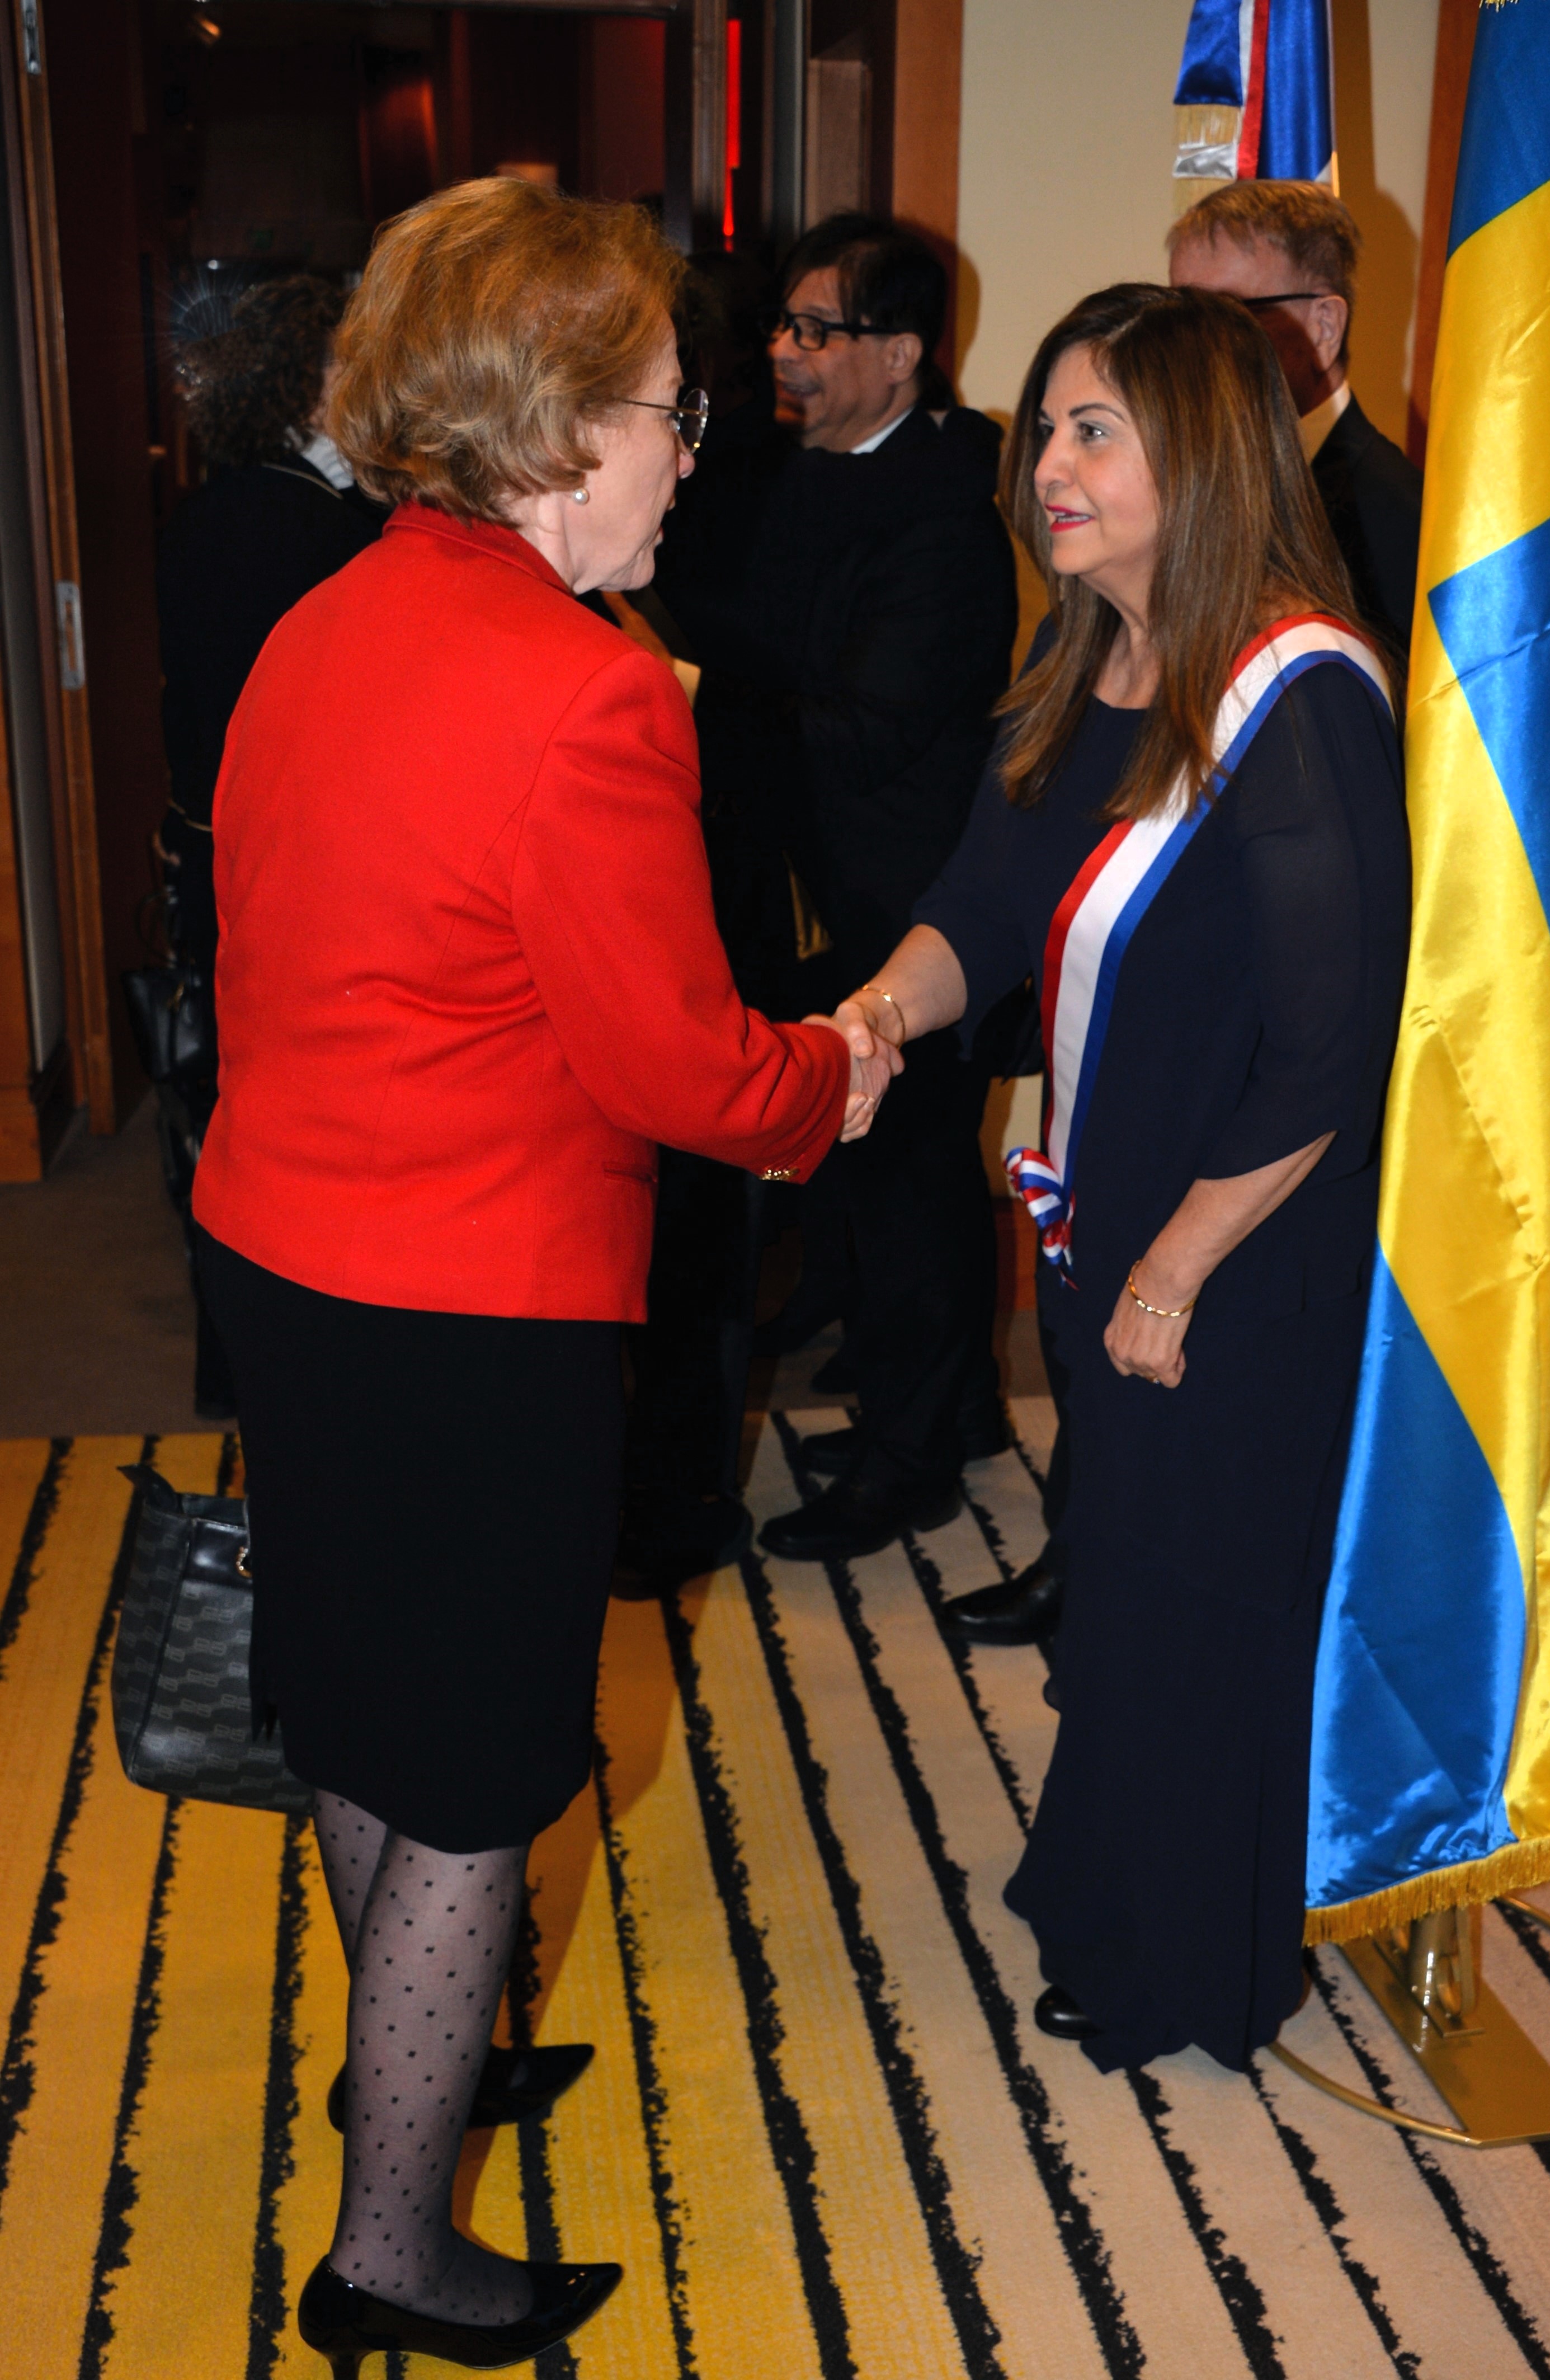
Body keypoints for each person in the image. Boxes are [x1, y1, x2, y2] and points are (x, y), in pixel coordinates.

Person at [190, 178, 891, 2376]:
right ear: (560, 429)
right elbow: (679, 1067)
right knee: (486, 1769)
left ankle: (416, 2067)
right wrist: (832, 1075)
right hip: (472, 1307)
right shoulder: (587, 696)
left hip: (284, 1260)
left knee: (363, 1707)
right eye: (676, 409)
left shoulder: (323, 615)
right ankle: (392, 2248)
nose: (694, 451)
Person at [831, 284, 1410, 2072]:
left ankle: (1189, 1962)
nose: (1047, 468)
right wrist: (876, 1011)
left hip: (1236, 1251)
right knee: (1126, 1576)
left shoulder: (1293, 694)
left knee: (1201, 1597)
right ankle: (1110, 1882)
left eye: (1094, 431)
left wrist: (1171, 1265)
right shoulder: (1087, 655)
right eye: (1045, 429)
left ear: (1205, 455)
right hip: (1111, 1219)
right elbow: (979, 905)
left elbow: (1329, 1044)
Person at [653, 212, 1018, 1569]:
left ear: (902, 352)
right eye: (782, 326)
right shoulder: (794, 467)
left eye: (818, 330)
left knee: (915, 1186)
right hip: (815, 887)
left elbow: (866, 727)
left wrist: (685, 689)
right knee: (864, 1183)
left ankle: (909, 1468)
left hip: (913, 907)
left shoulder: (946, 513)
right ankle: (950, 1414)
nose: (785, 354)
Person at [154, 275, 385, 1416]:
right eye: (350, 360)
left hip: (219, 859)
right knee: (298, 1125)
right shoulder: (316, 530)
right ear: (308, 383)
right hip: (292, 875)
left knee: (238, 1117)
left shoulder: (218, 509)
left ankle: (241, 1364)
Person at [1168, 181, 1423, 661]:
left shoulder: (1397, 523)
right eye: (1178, 320)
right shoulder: (1178, 487)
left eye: (1226, 317)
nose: (1191, 351)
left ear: (1323, 328)